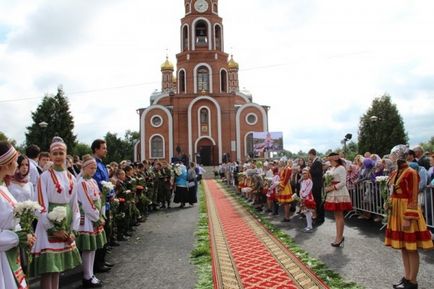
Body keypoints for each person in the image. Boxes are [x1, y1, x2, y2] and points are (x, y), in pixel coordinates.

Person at [30, 137, 82, 289]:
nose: (58, 156)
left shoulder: (72, 178)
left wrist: (74, 230)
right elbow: (40, 206)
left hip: (65, 226)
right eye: (55, 153)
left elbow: (75, 207)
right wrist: (52, 229)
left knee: (57, 269)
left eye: (61, 153)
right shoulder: (44, 177)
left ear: (66, 154)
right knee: (48, 269)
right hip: (48, 226)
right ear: (51, 156)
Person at [386, 145, 433, 289]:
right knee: (404, 247)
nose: (391, 157)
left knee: (411, 248)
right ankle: (407, 277)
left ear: (400, 156)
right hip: (397, 210)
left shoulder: (411, 172)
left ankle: (413, 281)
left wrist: (408, 216)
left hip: (407, 210)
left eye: (393, 155)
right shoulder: (396, 172)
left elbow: (413, 196)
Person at [0, 141, 36, 289]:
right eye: (15, 160)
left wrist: (24, 233)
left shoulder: (3, 187)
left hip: (9, 253)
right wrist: (18, 237)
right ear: (5, 164)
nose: (18, 163)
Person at [76, 155, 106, 288]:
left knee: (93, 247)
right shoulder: (81, 182)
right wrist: (96, 217)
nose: (93, 170)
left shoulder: (92, 181)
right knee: (88, 248)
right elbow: (87, 203)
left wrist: (101, 214)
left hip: (94, 217)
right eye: (91, 167)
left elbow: (98, 198)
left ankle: (90, 274)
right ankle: (87, 276)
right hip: (88, 219)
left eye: (95, 168)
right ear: (84, 167)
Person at [91, 139, 115, 272]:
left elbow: (107, 181)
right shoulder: (94, 164)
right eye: (103, 148)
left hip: (105, 202)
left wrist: (111, 193)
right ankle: (97, 263)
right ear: (96, 149)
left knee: (105, 232)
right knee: (100, 233)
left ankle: (102, 260)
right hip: (99, 203)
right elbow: (98, 183)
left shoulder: (101, 164)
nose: (106, 150)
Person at [324, 153, 352, 247]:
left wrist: (332, 188)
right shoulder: (331, 168)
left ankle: (339, 237)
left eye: (330, 160)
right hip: (333, 192)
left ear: (334, 159)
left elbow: (343, 182)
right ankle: (339, 236)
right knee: (336, 216)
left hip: (339, 193)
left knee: (339, 215)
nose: (329, 161)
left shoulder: (341, 168)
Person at [308, 149, 324, 225]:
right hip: (315, 184)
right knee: (316, 201)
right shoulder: (315, 161)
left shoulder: (318, 161)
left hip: (317, 184)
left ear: (312, 154)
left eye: (309, 155)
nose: (309, 156)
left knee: (318, 201)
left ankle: (320, 218)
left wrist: (309, 170)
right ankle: (317, 216)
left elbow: (318, 172)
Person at [276, 158, 294, 222]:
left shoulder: (287, 169)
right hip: (282, 186)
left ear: (284, 162)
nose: (279, 162)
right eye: (279, 161)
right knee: (285, 203)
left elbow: (286, 179)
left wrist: (281, 187)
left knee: (286, 203)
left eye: (281, 161)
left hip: (285, 187)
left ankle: (287, 217)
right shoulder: (282, 168)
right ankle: (286, 216)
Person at [300, 168, 316, 233]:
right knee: (305, 211)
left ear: (308, 174)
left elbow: (308, 190)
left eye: (305, 173)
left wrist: (303, 196)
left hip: (308, 197)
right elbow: (301, 189)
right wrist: (301, 195)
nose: (304, 175)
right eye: (303, 173)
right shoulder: (302, 181)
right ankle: (310, 222)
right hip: (303, 197)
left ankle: (309, 226)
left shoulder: (310, 181)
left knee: (307, 211)